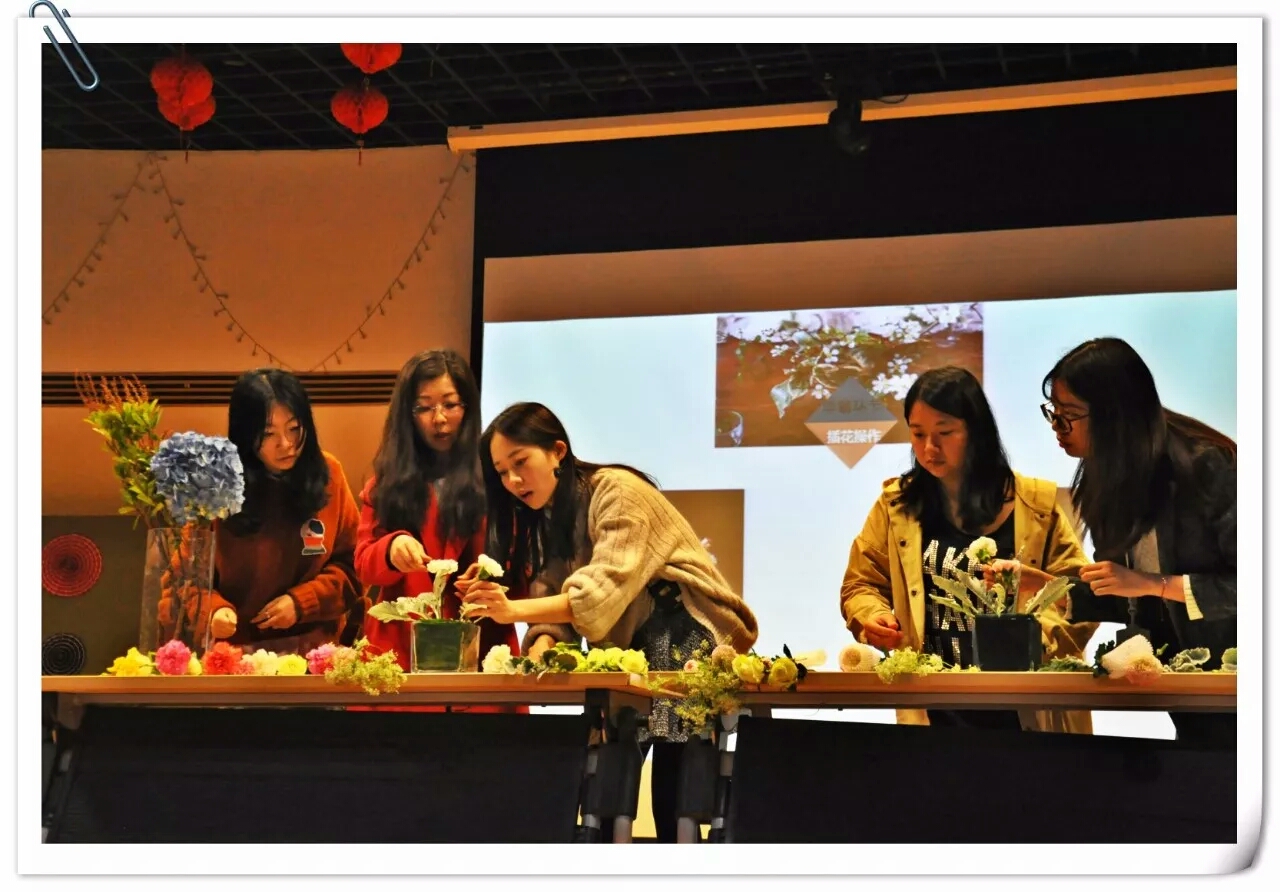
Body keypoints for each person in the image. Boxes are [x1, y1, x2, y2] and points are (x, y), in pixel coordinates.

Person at [458, 401, 758, 842]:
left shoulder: (618, 491)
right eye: (502, 472)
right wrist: (540, 649)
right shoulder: (548, 515)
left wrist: (511, 611)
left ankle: (682, 855)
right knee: (607, 765)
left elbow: (599, 593)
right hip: (627, 643)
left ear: (557, 451)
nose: (513, 481)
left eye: (520, 462)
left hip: (684, 627)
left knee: (676, 766)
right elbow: (550, 592)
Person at [839, 366, 1096, 733]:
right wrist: (873, 616)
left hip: (1027, 714)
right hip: (934, 712)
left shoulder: (1035, 505)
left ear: (976, 432)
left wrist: (1032, 641)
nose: (929, 448)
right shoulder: (897, 505)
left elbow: (1081, 599)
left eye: (944, 433)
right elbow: (861, 584)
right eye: (918, 434)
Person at [1034, 337, 1235, 745]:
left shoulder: (1206, 465)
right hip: (1186, 692)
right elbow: (1124, 592)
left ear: (1115, 415)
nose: (1057, 426)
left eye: (1068, 416)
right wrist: (1045, 588)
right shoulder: (1105, 476)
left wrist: (1152, 584)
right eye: (1053, 413)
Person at [162, 368, 363, 656]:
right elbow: (184, 580)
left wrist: (302, 603)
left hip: (317, 653)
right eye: (268, 434)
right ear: (245, 435)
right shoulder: (217, 485)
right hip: (236, 656)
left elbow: (354, 567)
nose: (286, 444)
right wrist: (213, 611)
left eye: (294, 428)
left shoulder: (328, 474)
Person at [353, 349, 520, 670]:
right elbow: (363, 565)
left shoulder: (497, 478)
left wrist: (491, 577)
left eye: (450, 404)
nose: (439, 418)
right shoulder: (385, 484)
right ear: (407, 415)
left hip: (482, 646)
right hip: (400, 651)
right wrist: (391, 548)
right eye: (424, 407)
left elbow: (523, 568)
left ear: (468, 408)